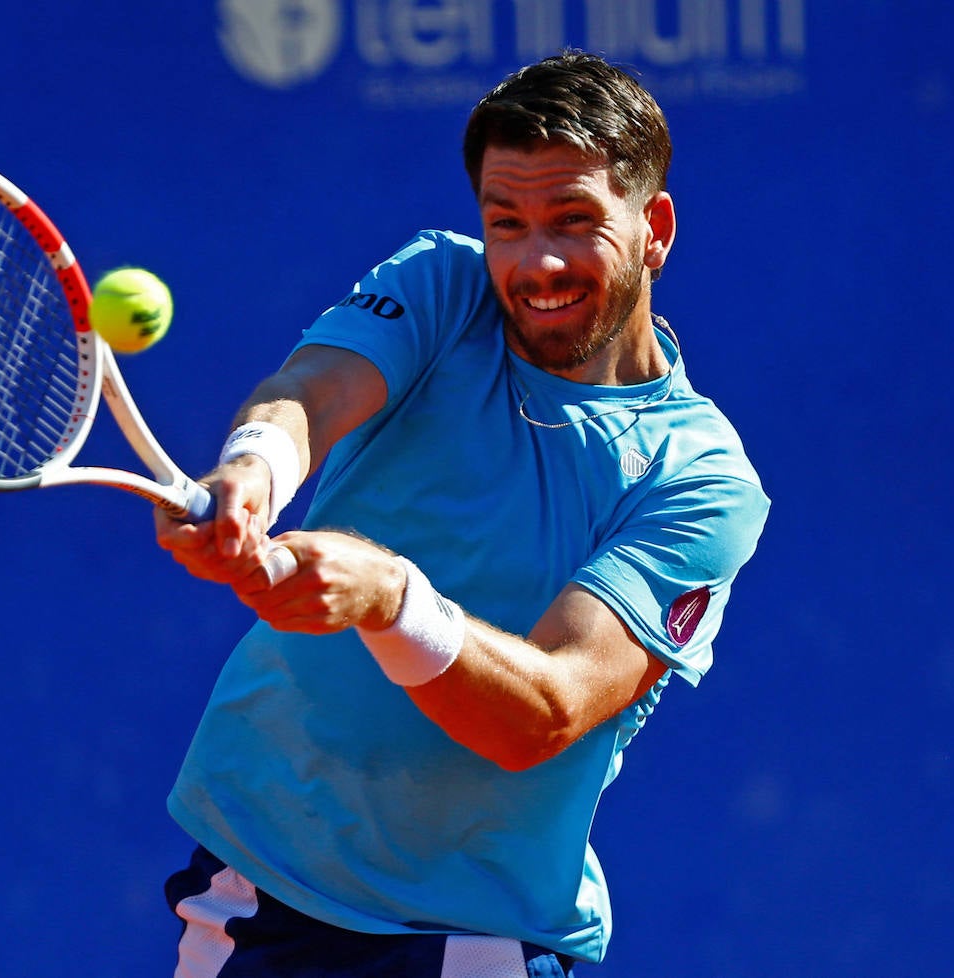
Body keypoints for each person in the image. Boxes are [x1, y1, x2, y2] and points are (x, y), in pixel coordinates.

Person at [154, 50, 770, 977]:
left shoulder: (701, 478)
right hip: (260, 897)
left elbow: (546, 711)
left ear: (656, 229)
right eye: (506, 224)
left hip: (479, 940)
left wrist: (389, 597)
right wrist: (253, 471)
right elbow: (310, 398)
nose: (536, 262)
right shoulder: (445, 286)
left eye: (574, 222)